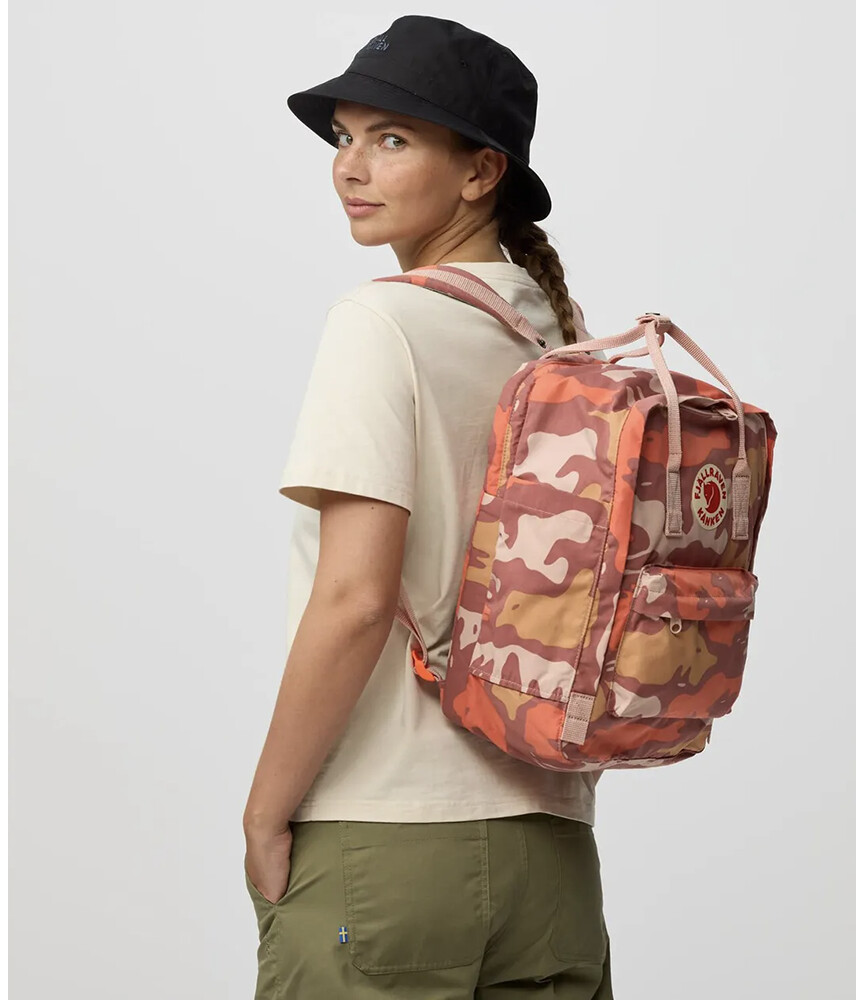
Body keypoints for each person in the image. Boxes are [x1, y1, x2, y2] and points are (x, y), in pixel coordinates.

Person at [241, 15, 613, 999]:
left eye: (393, 139)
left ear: (481, 172)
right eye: (345, 137)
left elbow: (356, 600)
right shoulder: (562, 343)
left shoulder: (381, 321)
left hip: (386, 845)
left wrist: (265, 813)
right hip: (553, 857)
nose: (350, 166)